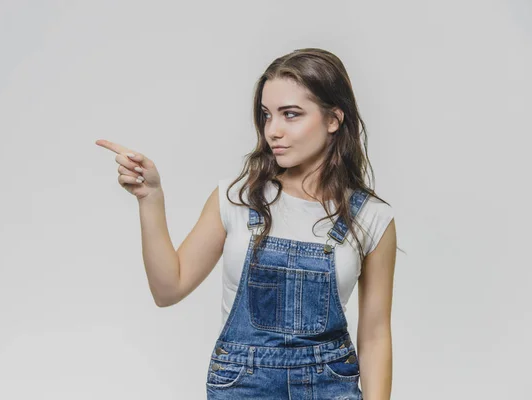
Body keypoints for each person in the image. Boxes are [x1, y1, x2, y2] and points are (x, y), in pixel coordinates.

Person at [96, 47, 396, 400]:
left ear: (333, 119)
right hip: (242, 389)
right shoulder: (236, 198)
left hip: (330, 388)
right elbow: (168, 289)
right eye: (267, 115)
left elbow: (375, 335)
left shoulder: (371, 217)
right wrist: (150, 199)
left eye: (291, 114)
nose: (274, 131)